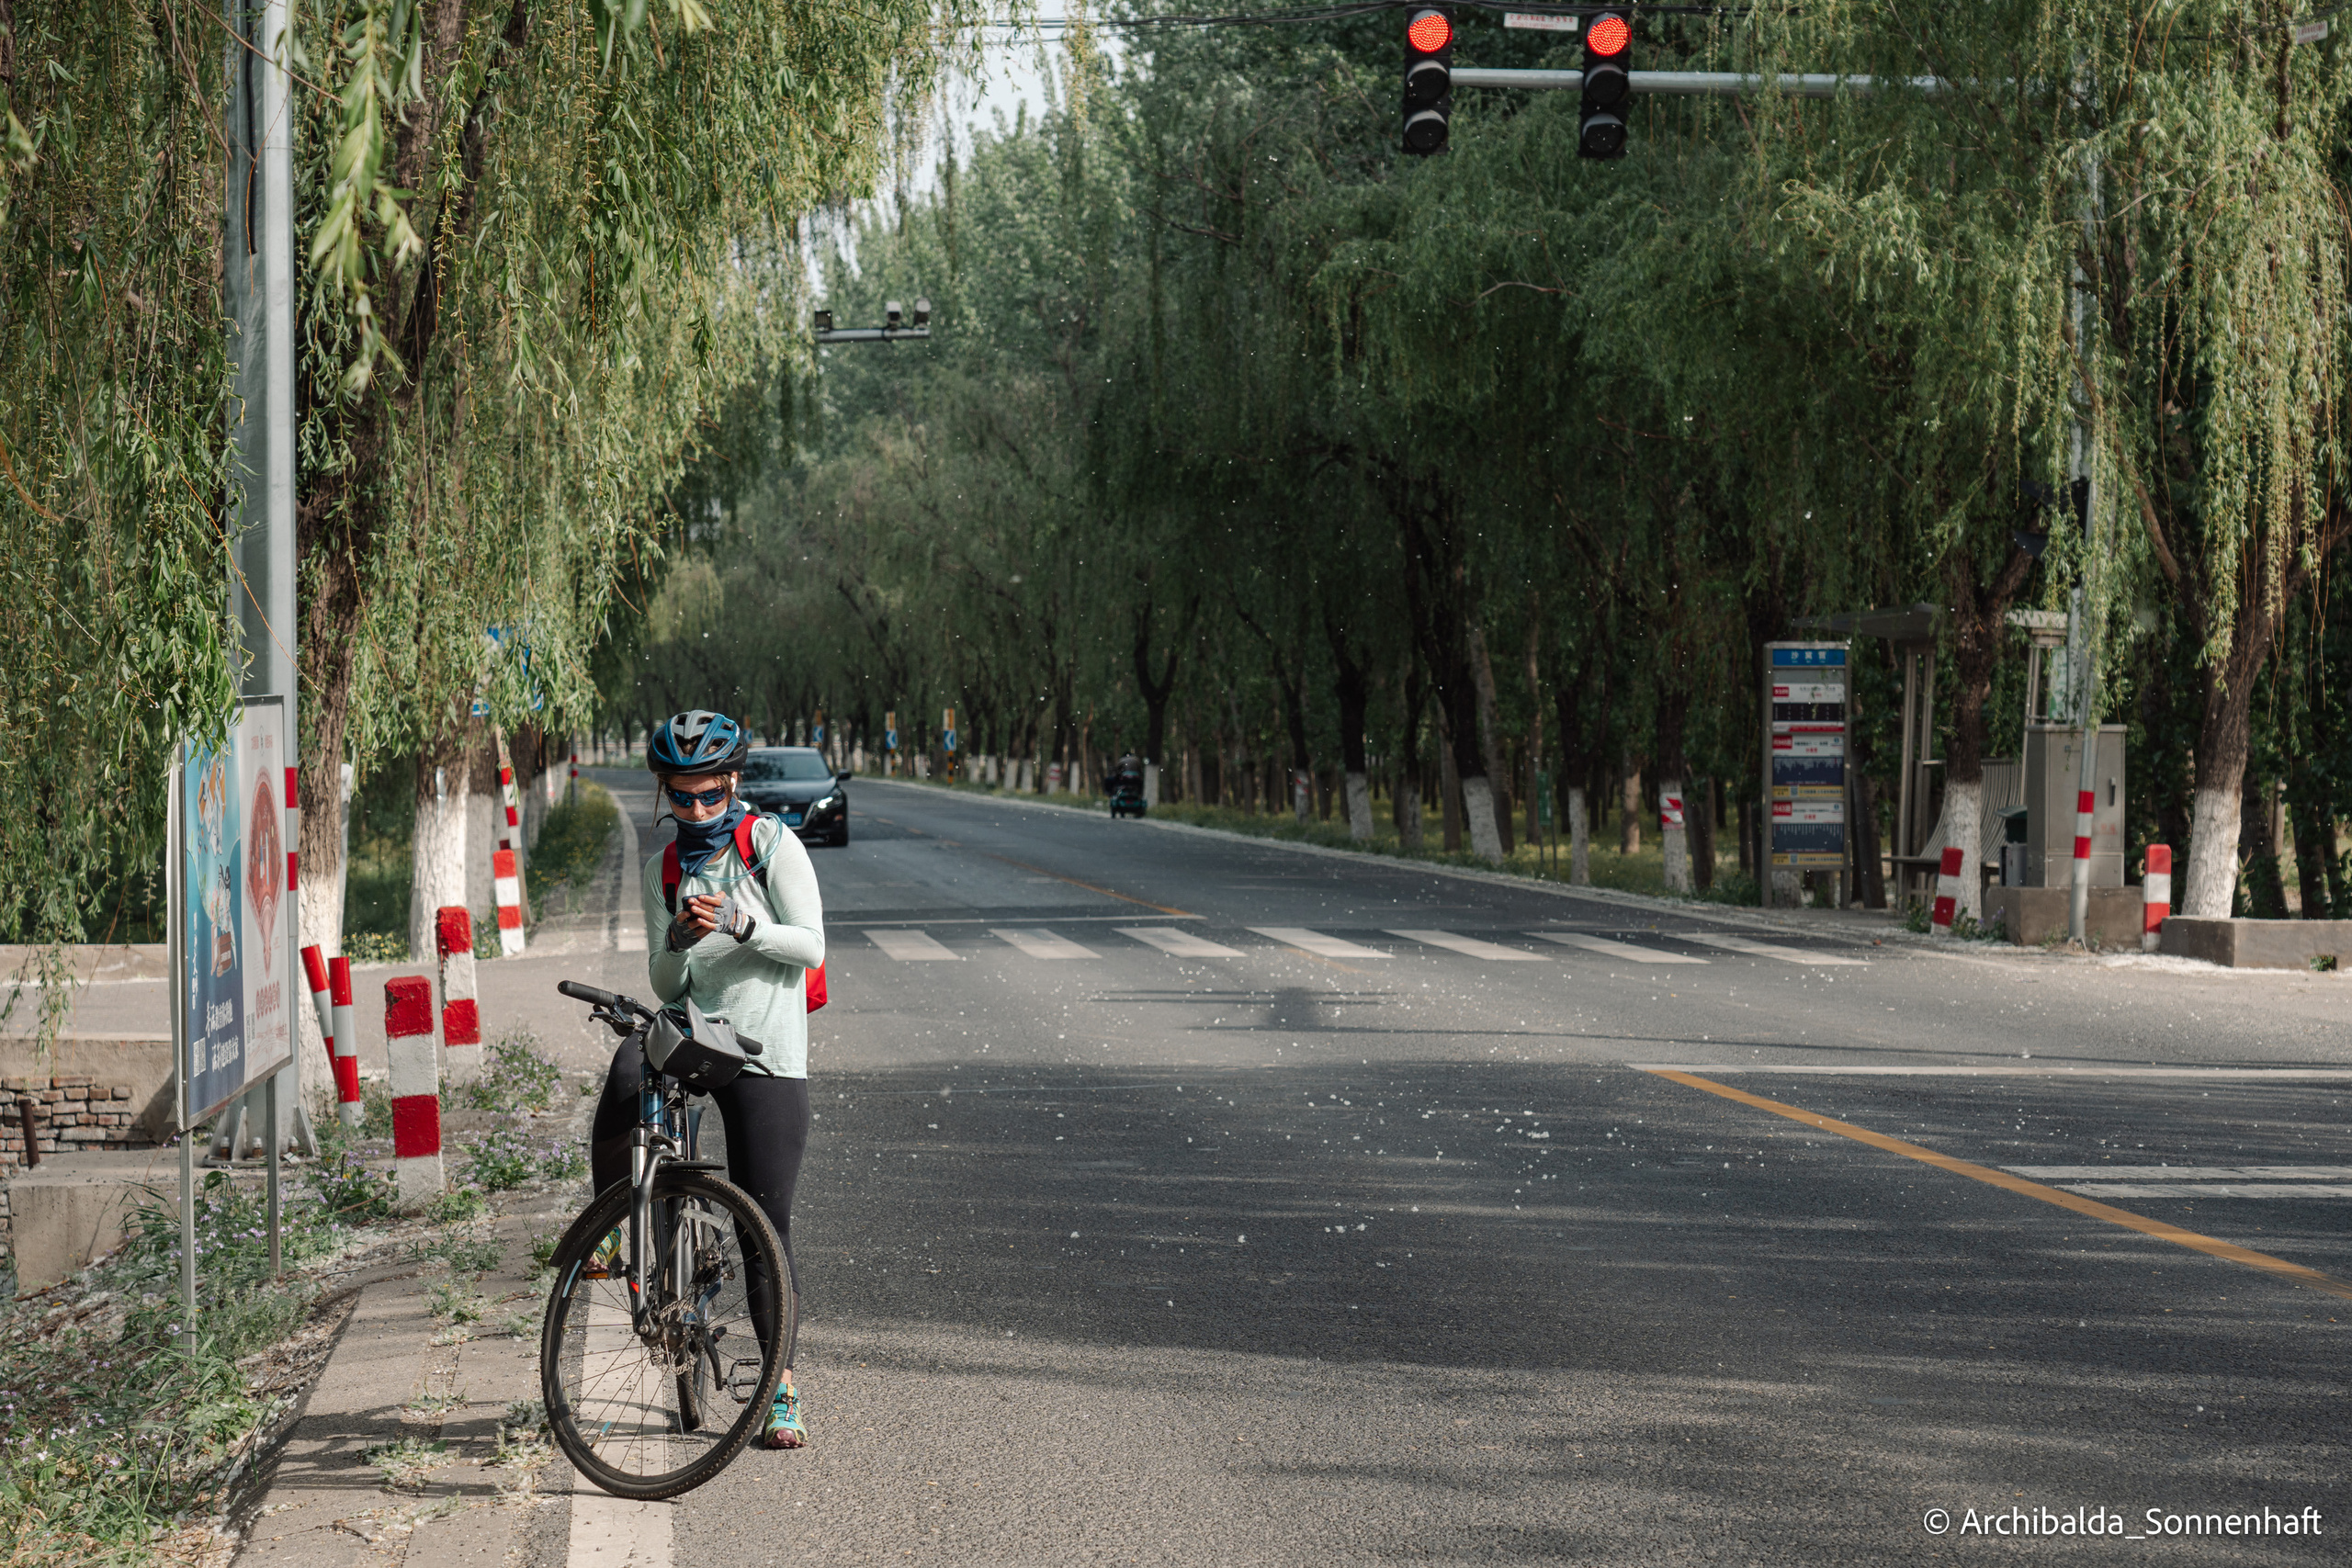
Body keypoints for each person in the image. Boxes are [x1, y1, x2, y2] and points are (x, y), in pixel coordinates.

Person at [586, 708, 825, 1450]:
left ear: (731, 783)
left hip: (766, 1050)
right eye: (681, 796)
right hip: (699, 1032)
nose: (696, 810)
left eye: (709, 795)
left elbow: (812, 947)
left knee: (763, 1226)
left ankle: (780, 1388)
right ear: (666, 792)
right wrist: (679, 940)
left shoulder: (771, 845)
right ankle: (623, 1239)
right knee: (626, 1073)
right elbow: (663, 978)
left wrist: (739, 925)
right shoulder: (668, 865)